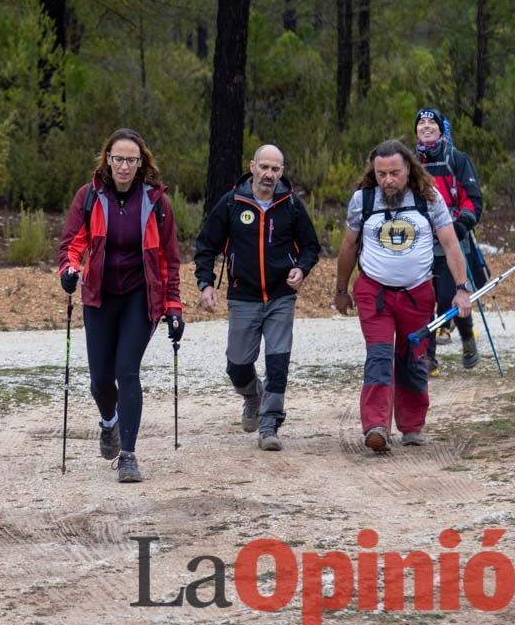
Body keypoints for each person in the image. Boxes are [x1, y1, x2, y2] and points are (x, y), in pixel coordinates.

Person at [58, 128, 184, 483]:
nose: (124, 166)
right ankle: (108, 421)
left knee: (127, 370)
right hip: (99, 295)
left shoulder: (157, 202)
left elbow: (168, 260)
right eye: (118, 159)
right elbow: (72, 244)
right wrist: (69, 271)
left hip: (140, 297)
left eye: (131, 159)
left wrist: (173, 306)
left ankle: (128, 455)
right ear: (107, 160)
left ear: (141, 162)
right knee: (100, 379)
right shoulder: (90, 197)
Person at [334, 139, 472, 452]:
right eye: (381, 174)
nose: (388, 180)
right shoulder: (363, 200)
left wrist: (462, 289)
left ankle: (411, 425)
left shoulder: (428, 197)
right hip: (374, 292)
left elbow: (451, 245)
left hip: (417, 293)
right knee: (380, 355)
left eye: (394, 173)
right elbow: (348, 246)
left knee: (412, 358)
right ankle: (376, 426)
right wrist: (341, 289)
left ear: (408, 169)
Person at [194, 144, 322, 451]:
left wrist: (301, 270)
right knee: (237, 366)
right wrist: (205, 284)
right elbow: (206, 245)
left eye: (275, 169)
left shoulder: (290, 204)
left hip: (281, 296)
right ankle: (253, 397)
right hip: (243, 295)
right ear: (252, 166)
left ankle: (269, 425)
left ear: (282, 172)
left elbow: (310, 247)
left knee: (278, 361)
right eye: (264, 167)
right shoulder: (232, 203)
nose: (269, 174)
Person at [414, 107, 486, 370]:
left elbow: (472, 197)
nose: (426, 126)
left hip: (453, 236)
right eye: (421, 123)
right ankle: (428, 356)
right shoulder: (409, 162)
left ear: (441, 130)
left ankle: (467, 335)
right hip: (420, 240)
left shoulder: (457, 158)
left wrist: (461, 224)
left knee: (449, 295)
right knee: (424, 298)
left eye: (431, 122)